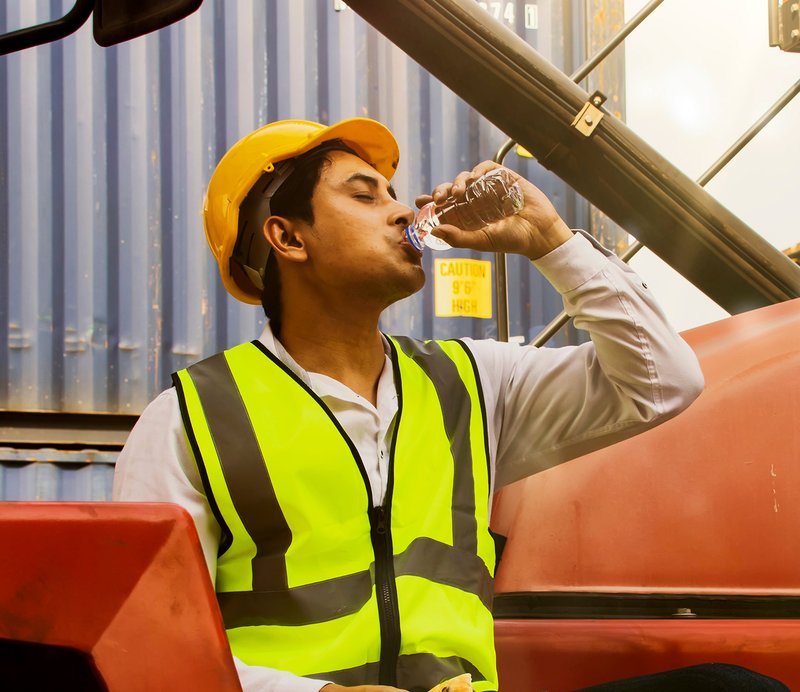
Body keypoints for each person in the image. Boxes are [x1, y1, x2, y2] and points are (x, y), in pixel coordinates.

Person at [112, 118, 781, 692]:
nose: (404, 213)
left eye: (397, 197)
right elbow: (149, 648)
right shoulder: (188, 421)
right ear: (289, 238)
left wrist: (548, 239)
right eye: (365, 196)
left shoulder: (473, 383)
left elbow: (662, 381)